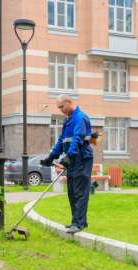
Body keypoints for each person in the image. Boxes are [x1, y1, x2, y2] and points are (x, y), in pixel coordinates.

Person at [40, 95, 93, 234]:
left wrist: (69, 155)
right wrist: (51, 157)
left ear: (69, 103)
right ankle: (78, 221)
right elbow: (61, 141)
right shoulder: (68, 120)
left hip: (82, 159)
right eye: (59, 108)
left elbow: (77, 138)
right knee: (72, 192)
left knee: (80, 192)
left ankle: (79, 223)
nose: (61, 110)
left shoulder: (80, 117)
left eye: (62, 107)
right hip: (73, 160)